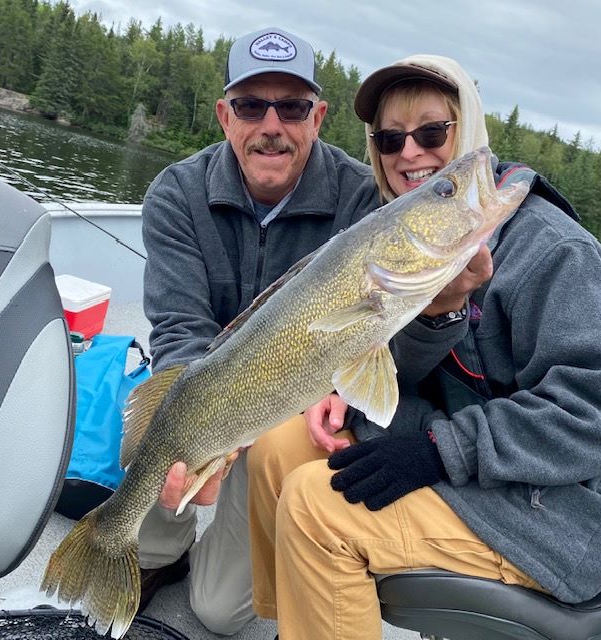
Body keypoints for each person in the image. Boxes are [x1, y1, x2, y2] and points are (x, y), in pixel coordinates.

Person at [246, 54, 601, 639]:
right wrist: (347, 394)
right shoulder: (413, 243)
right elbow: (405, 374)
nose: (409, 154)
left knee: (314, 504)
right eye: (389, 138)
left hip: (561, 514)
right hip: (471, 468)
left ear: (470, 134)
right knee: (279, 446)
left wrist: (436, 451)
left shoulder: (555, 254)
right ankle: (302, 625)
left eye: (432, 132)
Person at [137, 26, 384, 634]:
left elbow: (377, 330)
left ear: (318, 117)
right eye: (251, 105)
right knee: (144, 489)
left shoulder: (362, 201)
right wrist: (212, 440)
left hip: (288, 414)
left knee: (217, 612)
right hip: (207, 395)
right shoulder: (177, 194)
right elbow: (177, 327)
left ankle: (207, 558)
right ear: (225, 116)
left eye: (292, 107)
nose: (271, 124)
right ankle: (156, 552)